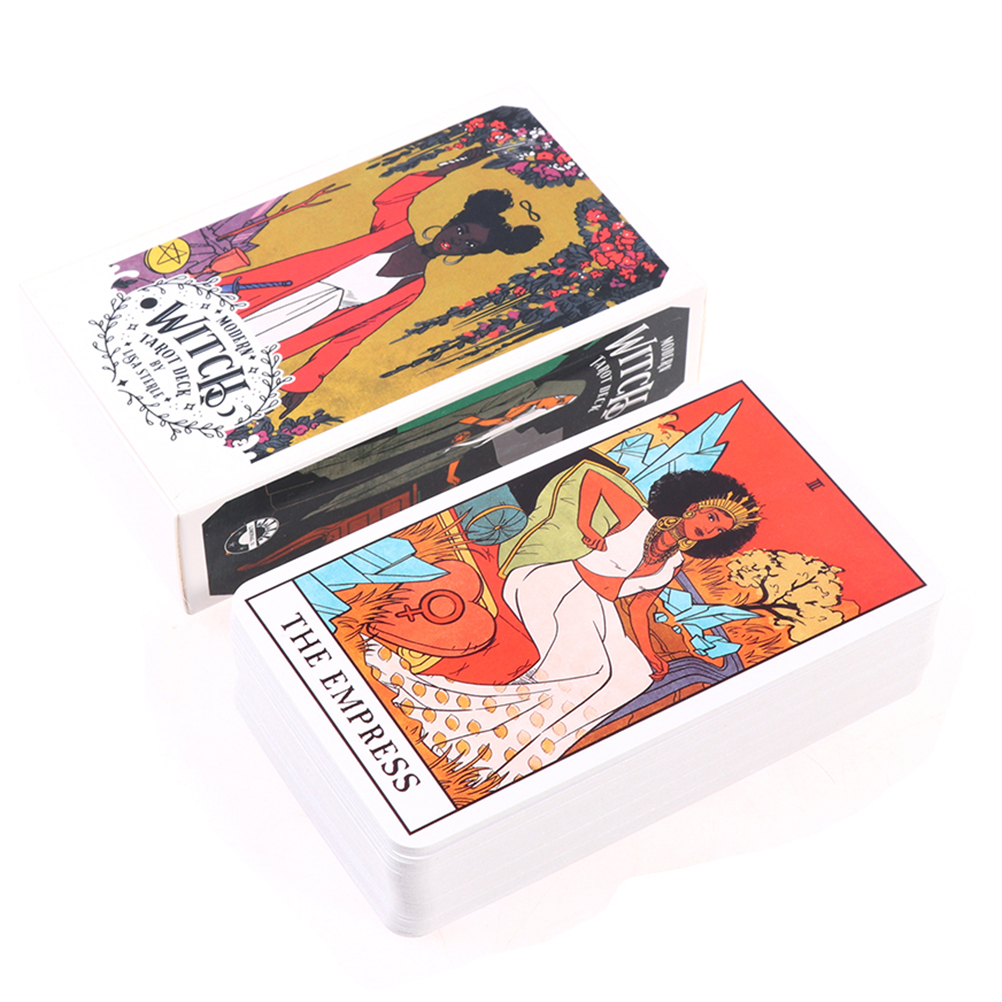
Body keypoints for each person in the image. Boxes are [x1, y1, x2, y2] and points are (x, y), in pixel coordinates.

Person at [369, 464, 760, 789]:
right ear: (694, 507)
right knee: (591, 670)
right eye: (712, 517)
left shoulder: (674, 563)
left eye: (720, 530)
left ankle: (528, 747)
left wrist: (650, 653)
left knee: (634, 675)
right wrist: (587, 525)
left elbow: (640, 608)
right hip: (554, 580)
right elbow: (591, 476)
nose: (711, 529)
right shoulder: (638, 518)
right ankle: (484, 728)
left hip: (596, 604)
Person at [217, 146, 543, 415]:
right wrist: (452, 165)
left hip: (298, 327)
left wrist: (307, 380)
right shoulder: (394, 232)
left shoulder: (411, 289)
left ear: (471, 255)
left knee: (221, 361)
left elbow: (352, 336)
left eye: (470, 245)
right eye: (461, 230)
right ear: (450, 222)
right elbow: (393, 197)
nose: (458, 241)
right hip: (267, 294)